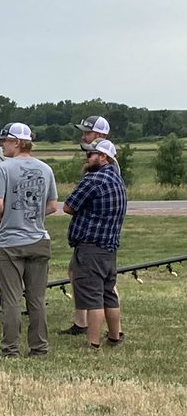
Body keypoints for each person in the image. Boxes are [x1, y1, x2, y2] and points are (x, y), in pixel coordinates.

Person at [0, 122, 58, 358]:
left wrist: (3, 216)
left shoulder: (3, 168)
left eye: (4, 141)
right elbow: (52, 206)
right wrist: (34, 215)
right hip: (39, 239)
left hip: (11, 241)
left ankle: (11, 349)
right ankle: (39, 348)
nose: (1, 145)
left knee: (11, 299)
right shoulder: (46, 169)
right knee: (36, 299)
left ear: (16, 142)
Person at [62, 138, 127, 349]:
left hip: (90, 247)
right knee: (109, 294)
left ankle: (93, 343)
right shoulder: (118, 180)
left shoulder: (93, 179)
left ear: (103, 157)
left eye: (91, 154)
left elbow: (68, 207)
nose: (87, 157)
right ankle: (115, 336)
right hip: (109, 247)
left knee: (92, 298)